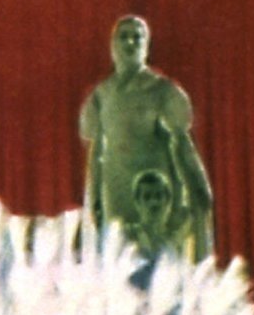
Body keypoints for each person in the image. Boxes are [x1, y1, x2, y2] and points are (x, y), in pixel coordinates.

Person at [80, 16, 214, 260]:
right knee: (120, 261)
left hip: (154, 192)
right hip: (116, 192)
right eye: (124, 36)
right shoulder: (101, 95)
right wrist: (94, 200)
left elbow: (182, 145)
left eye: (137, 37)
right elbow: (96, 151)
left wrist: (196, 190)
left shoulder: (163, 91)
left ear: (147, 44)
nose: (130, 42)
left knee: (160, 261)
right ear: (112, 45)